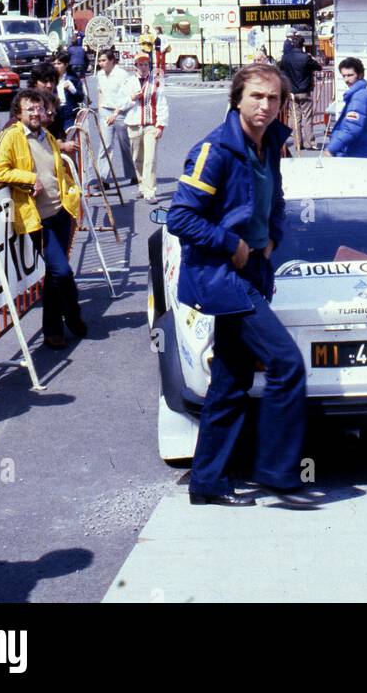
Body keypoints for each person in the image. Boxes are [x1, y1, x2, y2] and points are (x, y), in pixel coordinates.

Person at [167, 64, 317, 509]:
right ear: (237, 99)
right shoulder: (214, 149)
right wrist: (230, 242)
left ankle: (207, 482)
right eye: (256, 96)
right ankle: (276, 473)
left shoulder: (271, 142)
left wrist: (272, 236)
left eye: (273, 98)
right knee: (286, 363)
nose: (265, 106)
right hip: (223, 278)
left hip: (252, 271)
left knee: (230, 383)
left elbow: (276, 198)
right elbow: (180, 217)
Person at [0, 89, 85, 348]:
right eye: (29, 109)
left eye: (38, 108)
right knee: (61, 271)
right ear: (18, 113)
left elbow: (56, 171)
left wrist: (71, 194)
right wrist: (29, 179)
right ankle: (73, 315)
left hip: (60, 212)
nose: (35, 113)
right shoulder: (10, 137)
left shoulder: (47, 135)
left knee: (56, 274)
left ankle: (54, 330)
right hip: (37, 218)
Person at [125, 53, 168, 201]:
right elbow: (120, 104)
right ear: (135, 66)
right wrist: (131, 99)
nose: (143, 68)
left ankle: (150, 191)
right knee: (137, 158)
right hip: (133, 124)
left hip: (151, 125)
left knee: (150, 159)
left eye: (146, 64)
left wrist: (161, 125)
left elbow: (162, 104)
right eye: (140, 64)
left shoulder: (156, 83)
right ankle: (142, 185)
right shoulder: (128, 82)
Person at [93, 48, 136, 189]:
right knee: (105, 145)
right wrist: (100, 111)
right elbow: (100, 92)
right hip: (105, 111)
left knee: (125, 145)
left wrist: (116, 113)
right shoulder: (100, 74)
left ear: (112, 61)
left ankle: (133, 174)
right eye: (99, 61)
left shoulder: (122, 74)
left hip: (120, 111)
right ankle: (103, 179)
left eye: (104, 60)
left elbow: (127, 96)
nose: (101, 63)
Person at [325, 57, 367, 158]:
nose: (346, 80)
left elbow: (351, 129)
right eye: (344, 76)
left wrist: (331, 149)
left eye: (350, 75)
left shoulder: (358, 98)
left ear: (360, 75)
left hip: (355, 154)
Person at [279, 35, 322, 152]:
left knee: (295, 118)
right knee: (307, 117)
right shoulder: (306, 58)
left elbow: (281, 69)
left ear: (292, 44)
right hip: (304, 91)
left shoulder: (286, 58)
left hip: (291, 92)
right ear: (303, 45)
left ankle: (298, 143)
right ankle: (310, 143)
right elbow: (319, 67)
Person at [53, 49, 82, 126]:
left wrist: (72, 89)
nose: (56, 66)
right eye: (54, 63)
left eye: (59, 63)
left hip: (69, 113)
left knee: (69, 135)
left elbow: (80, 98)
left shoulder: (72, 78)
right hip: (54, 113)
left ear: (66, 65)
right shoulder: (50, 79)